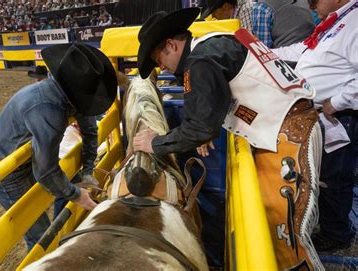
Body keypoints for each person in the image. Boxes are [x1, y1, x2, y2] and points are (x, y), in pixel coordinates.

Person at [133, 7, 324, 270]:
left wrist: (155, 143)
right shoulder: (210, 47)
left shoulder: (199, 62)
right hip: (287, 124)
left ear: (170, 45)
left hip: (286, 131)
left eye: (158, 59)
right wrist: (206, 124)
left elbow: (202, 126)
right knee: (282, 229)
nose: (161, 66)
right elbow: (214, 104)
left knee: (285, 233)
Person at [0, 44, 117, 250]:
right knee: (42, 236)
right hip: (7, 172)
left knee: (47, 216)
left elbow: (89, 130)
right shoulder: (48, 109)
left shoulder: (67, 95)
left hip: (23, 159)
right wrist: (77, 195)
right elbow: (46, 171)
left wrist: (88, 170)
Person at [273, 0, 357, 252]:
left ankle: (337, 235)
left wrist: (338, 101)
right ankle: (332, 227)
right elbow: (304, 51)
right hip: (324, 113)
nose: (310, 4)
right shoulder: (338, 21)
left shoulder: (353, 22)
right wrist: (263, 52)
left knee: (334, 177)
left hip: (340, 116)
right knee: (327, 174)